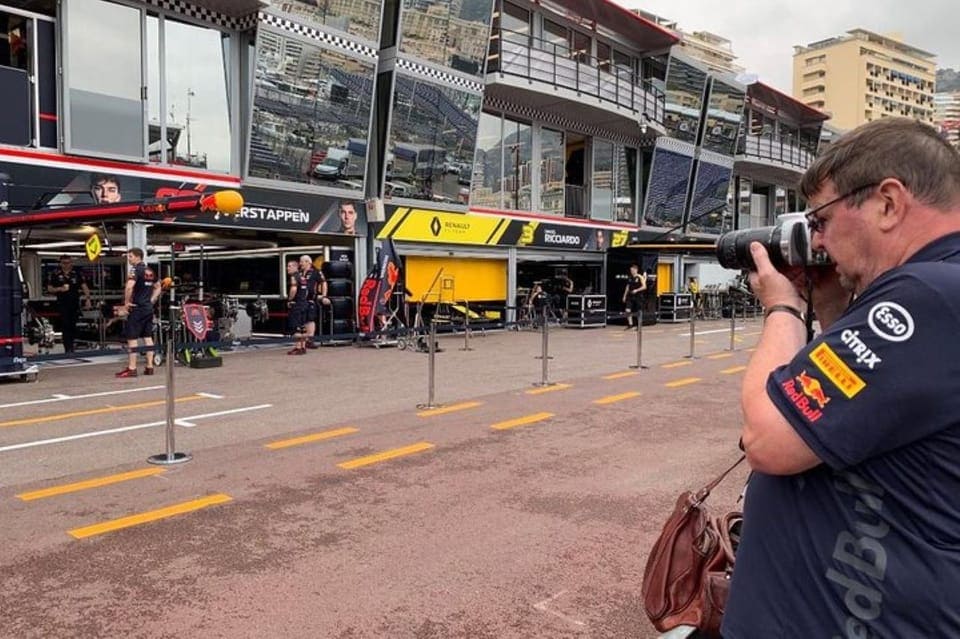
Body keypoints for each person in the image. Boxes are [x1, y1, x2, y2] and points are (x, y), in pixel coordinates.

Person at [723, 118, 960, 638]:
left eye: (822, 219)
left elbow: (768, 438)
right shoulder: (938, 287)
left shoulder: (927, 295)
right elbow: (864, 404)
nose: (820, 241)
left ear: (888, 203)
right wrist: (831, 308)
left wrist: (782, 308)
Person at [116, 247, 161, 378]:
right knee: (147, 337)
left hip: (137, 308)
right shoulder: (149, 270)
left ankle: (132, 368)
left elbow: (129, 287)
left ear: (137, 257)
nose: (128, 259)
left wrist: (126, 303)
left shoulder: (135, 269)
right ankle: (149, 366)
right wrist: (151, 299)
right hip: (148, 308)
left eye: (130, 256)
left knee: (132, 338)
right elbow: (158, 287)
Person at [46, 254, 92, 353]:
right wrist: (60, 289)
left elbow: (84, 286)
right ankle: (68, 347)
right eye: (64, 263)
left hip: (74, 303)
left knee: (73, 325)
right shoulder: (55, 274)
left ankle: (73, 344)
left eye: (69, 263)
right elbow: (50, 288)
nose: (67, 265)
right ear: (61, 264)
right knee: (65, 325)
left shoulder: (76, 274)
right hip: (62, 303)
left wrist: (88, 299)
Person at [285, 259, 307, 355]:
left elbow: (293, 289)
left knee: (296, 327)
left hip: (296, 305)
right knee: (303, 327)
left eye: (289, 266)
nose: (287, 268)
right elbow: (306, 291)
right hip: (303, 304)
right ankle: (303, 347)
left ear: (295, 267)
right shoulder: (302, 277)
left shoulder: (294, 277)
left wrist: (290, 300)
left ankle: (298, 348)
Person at [621, 263, 646, 329]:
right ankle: (630, 324)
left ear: (636, 270)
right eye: (630, 270)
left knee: (638, 311)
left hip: (638, 295)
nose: (631, 272)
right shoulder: (630, 277)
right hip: (630, 295)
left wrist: (637, 290)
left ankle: (639, 325)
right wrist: (624, 296)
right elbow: (627, 287)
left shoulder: (640, 277)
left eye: (632, 270)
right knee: (627, 310)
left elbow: (644, 287)